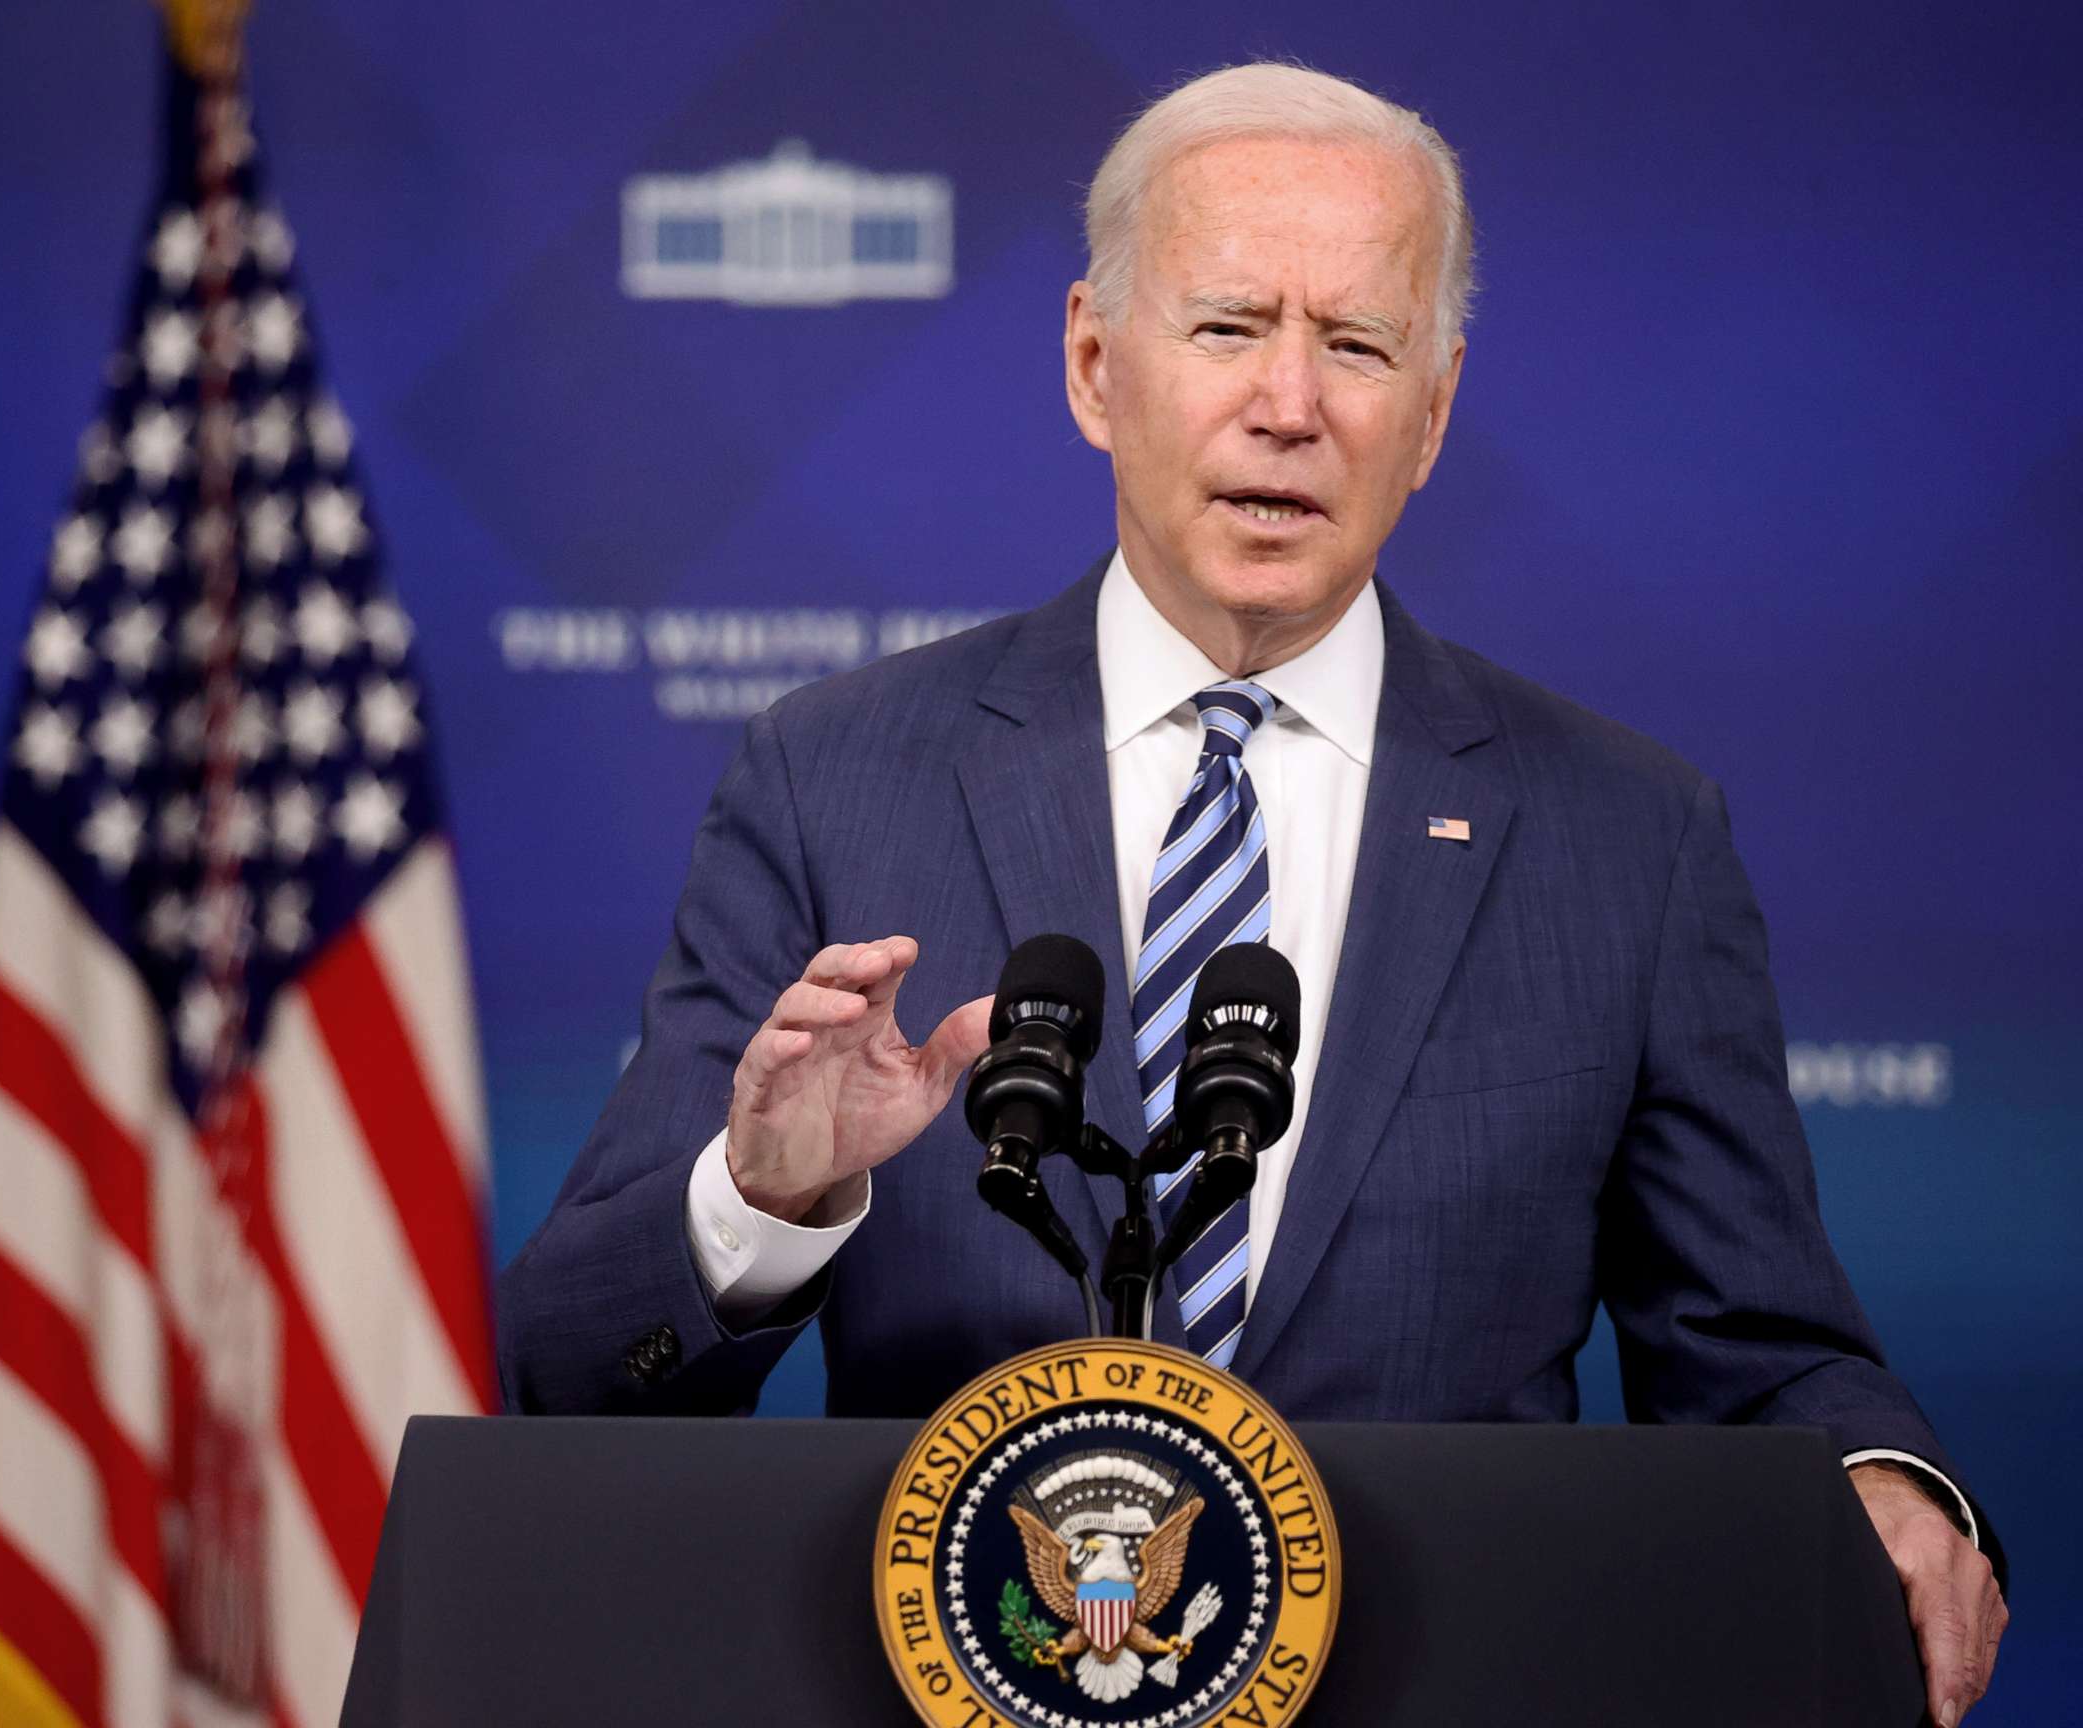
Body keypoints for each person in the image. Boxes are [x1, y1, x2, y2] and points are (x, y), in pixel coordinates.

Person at [497, 62, 2007, 1720]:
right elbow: (573, 1378)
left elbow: (1766, 1344)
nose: (1292, 402)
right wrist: (764, 1200)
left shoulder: (1625, 839)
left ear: (1430, 416)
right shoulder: (835, 776)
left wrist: (1881, 1476)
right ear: (1095, 364)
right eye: (1228, 328)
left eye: (1358, 346)